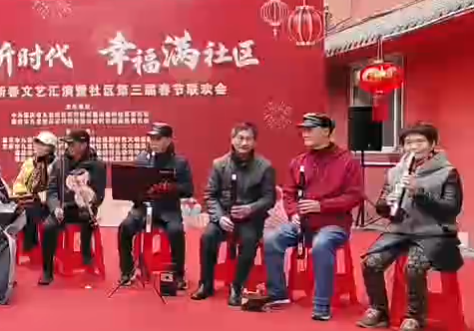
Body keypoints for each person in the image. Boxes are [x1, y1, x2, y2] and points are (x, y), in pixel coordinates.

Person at [357, 123, 463, 331]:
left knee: (414, 267)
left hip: (435, 232)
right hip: (401, 230)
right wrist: (387, 203)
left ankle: (415, 317)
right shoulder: (396, 172)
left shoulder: (447, 172)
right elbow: (383, 210)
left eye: (420, 141)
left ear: (432, 144)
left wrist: (419, 193)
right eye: (408, 142)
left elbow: (451, 209)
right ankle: (379, 310)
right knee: (370, 263)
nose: (414, 146)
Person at [261, 113, 364, 321]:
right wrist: (293, 213)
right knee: (271, 239)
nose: (304, 134)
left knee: (321, 244)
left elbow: (355, 196)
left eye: (310, 129)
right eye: (303, 130)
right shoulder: (299, 161)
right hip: (303, 223)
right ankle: (278, 294)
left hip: (334, 225)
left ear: (326, 131)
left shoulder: (347, 161)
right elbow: (289, 193)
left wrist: (322, 206)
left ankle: (321, 305)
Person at [191, 123, 276, 305]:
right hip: (224, 216)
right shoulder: (219, 164)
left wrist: (251, 208)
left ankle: (237, 287)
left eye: (248, 139)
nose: (244, 143)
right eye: (240, 138)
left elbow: (269, 198)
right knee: (208, 237)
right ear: (232, 140)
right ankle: (206, 284)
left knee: (249, 240)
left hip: (250, 219)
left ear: (255, 142)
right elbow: (210, 195)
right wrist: (220, 217)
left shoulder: (265, 167)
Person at [117, 123, 194, 289]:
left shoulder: (180, 163)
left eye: (158, 138)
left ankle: (178, 275)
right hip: (143, 208)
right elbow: (133, 187)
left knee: (176, 231)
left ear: (168, 140)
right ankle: (127, 271)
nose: (153, 142)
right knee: (125, 227)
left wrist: (171, 188)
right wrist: (134, 193)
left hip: (168, 210)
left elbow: (188, 190)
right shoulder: (142, 159)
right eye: (151, 138)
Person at [40, 130, 106, 286]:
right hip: (63, 210)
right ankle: (47, 271)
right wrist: (56, 208)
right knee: (48, 226)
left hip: (84, 211)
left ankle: (86, 255)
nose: (68, 147)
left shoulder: (97, 166)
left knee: (88, 221)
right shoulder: (60, 164)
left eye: (72, 144)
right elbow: (51, 191)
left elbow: (100, 195)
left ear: (83, 145)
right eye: (67, 144)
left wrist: (90, 199)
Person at [11, 131, 56, 252]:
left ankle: (32, 247)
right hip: (29, 200)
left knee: (30, 211)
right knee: (19, 210)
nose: (38, 147)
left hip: (49, 204)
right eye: (37, 144)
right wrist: (25, 193)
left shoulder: (56, 165)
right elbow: (19, 183)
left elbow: (57, 188)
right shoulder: (29, 163)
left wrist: (44, 195)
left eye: (43, 144)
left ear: (51, 148)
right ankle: (23, 247)